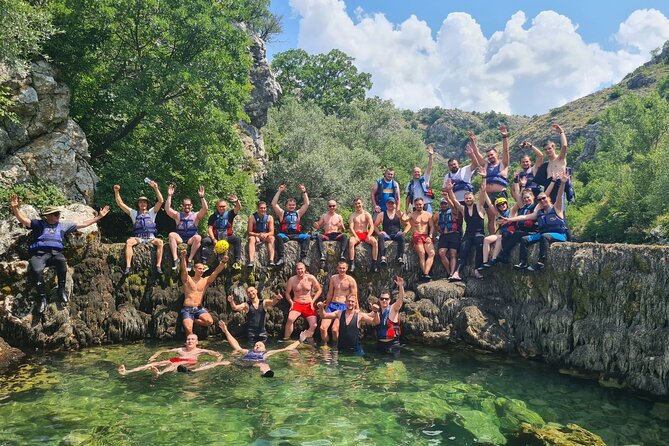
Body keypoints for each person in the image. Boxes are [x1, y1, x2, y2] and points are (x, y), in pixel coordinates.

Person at [10, 194, 110, 313]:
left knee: (61, 261)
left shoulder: (63, 225)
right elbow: (23, 220)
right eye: (56, 214)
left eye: (59, 214)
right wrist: (15, 208)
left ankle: (61, 290)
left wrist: (99, 216)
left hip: (54, 254)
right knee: (36, 270)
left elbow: (83, 224)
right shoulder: (39, 224)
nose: (59, 216)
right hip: (39, 254)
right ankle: (42, 299)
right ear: (48, 216)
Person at [498, 171, 570, 271]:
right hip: (543, 235)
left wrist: (562, 182)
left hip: (559, 235)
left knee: (544, 236)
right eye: (539, 200)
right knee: (525, 239)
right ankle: (523, 263)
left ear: (548, 198)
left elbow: (559, 195)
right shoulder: (538, 212)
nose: (542, 201)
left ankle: (540, 262)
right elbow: (524, 217)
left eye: (544, 198)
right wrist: (508, 219)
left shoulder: (556, 208)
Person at [196, 321, 307, 377]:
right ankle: (193, 371)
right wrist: (226, 331)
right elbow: (236, 346)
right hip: (242, 362)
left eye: (259, 345)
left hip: (255, 363)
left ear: (264, 348)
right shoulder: (248, 351)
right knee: (219, 363)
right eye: (256, 345)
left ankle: (266, 374)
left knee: (263, 365)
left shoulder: (267, 353)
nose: (257, 346)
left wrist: (300, 341)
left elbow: (286, 349)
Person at [444, 170, 487, 281]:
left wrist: (484, 178)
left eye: (470, 198)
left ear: (473, 198)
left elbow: (483, 191)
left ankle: (477, 270)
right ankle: (457, 273)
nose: (468, 200)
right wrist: (450, 190)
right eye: (466, 199)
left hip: (479, 233)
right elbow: (454, 200)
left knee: (480, 245)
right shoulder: (463, 209)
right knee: (463, 249)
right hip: (468, 233)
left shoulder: (479, 206)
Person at [113, 182, 164, 275]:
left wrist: (156, 188)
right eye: (141, 202)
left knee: (160, 242)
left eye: (144, 202)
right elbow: (120, 204)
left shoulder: (152, 212)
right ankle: (128, 267)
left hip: (151, 237)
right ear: (138, 204)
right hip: (139, 237)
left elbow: (160, 201)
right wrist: (116, 192)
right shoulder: (134, 213)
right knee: (129, 242)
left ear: (147, 204)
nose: (143, 204)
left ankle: (158, 266)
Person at [118, 333, 222, 376]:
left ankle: (160, 374)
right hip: (177, 359)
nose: (190, 341)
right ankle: (127, 371)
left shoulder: (200, 350)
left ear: (197, 342)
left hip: (189, 362)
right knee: (154, 364)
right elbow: (163, 351)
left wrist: (217, 362)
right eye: (188, 339)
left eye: (192, 339)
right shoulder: (180, 349)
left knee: (175, 365)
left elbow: (218, 354)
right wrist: (153, 357)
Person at [470, 127, 511, 235]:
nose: (490, 157)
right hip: (488, 194)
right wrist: (472, 141)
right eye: (488, 156)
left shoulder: (503, 164)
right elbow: (477, 154)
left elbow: (506, 151)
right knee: (491, 218)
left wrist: (504, 137)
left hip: (500, 193)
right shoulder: (486, 165)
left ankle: (504, 235)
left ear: (497, 154)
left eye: (492, 155)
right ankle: (493, 237)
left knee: (502, 215)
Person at [179, 248, 228, 335]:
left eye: (202, 269)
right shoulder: (188, 279)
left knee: (209, 321)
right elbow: (183, 270)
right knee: (188, 329)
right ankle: (191, 344)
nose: (201, 270)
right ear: (194, 269)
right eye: (199, 268)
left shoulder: (205, 280)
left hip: (199, 308)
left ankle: (192, 319)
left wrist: (223, 262)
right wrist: (183, 257)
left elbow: (215, 272)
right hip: (187, 309)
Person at [165, 184, 208, 271]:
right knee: (171, 235)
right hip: (180, 238)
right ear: (182, 206)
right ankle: (175, 259)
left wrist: (202, 197)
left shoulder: (196, 216)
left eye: (188, 205)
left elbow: (205, 209)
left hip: (191, 239)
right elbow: (167, 209)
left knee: (198, 237)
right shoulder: (177, 215)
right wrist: (169, 195)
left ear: (191, 206)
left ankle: (189, 260)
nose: (187, 206)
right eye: (185, 205)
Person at [497, 179, 538, 264]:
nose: (526, 199)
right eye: (524, 198)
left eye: (528, 197)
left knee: (517, 234)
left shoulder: (536, 207)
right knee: (506, 234)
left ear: (533, 197)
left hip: (532, 231)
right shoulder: (523, 207)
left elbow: (525, 217)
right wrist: (516, 182)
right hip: (522, 231)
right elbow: (517, 195)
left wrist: (523, 186)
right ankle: (505, 257)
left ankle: (503, 254)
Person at [320, 261, 358, 345]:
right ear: (337, 268)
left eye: (343, 268)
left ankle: (335, 346)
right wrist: (326, 307)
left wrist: (356, 310)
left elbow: (354, 296)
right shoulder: (333, 278)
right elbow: (330, 293)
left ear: (347, 268)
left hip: (343, 307)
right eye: (340, 268)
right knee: (322, 328)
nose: (342, 270)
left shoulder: (350, 280)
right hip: (332, 305)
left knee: (334, 329)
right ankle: (325, 346)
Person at [272, 184, 310, 265]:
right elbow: (274, 204)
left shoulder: (298, 213)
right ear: (286, 205)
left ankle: (303, 258)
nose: (291, 206)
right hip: (286, 235)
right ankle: (281, 258)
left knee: (307, 237)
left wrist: (304, 191)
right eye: (289, 205)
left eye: (293, 205)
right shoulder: (282, 213)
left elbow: (306, 204)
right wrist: (279, 191)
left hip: (296, 235)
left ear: (295, 206)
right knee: (278, 236)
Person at [283, 262, 322, 340]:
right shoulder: (292, 280)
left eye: (301, 269)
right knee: (290, 319)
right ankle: (286, 339)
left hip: (308, 304)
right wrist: (291, 303)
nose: (300, 271)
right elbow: (287, 293)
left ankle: (305, 338)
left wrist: (313, 301)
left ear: (305, 269)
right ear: (296, 270)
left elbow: (319, 290)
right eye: (298, 269)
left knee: (314, 325)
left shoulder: (310, 278)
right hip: (297, 303)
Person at [201, 196, 242, 270]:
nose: (222, 208)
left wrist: (236, 201)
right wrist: (213, 239)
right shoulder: (212, 216)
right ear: (217, 206)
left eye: (223, 206)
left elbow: (238, 208)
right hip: (216, 237)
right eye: (220, 206)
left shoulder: (230, 214)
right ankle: (204, 263)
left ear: (226, 206)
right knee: (205, 241)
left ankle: (237, 262)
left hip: (227, 236)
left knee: (237, 240)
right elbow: (210, 229)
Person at [402, 197, 435, 281]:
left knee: (432, 253)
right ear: (414, 205)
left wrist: (430, 236)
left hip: (426, 235)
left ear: (423, 204)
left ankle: (425, 273)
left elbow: (432, 227)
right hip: (417, 235)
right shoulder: (412, 214)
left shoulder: (428, 214)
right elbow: (404, 219)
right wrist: (402, 212)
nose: (418, 206)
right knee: (422, 253)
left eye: (420, 204)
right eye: (416, 205)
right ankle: (426, 274)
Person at [371, 276, 405, 358]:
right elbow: (375, 323)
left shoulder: (393, 308)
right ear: (379, 300)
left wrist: (400, 286)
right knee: (379, 368)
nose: (384, 301)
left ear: (389, 300)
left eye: (386, 299)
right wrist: (375, 312)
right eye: (382, 299)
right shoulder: (376, 311)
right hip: (380, 344)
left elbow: (400, 300)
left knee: (392, 368)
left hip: (392, 345)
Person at [480, 194, 514, 269]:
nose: (502, 206)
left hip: (509, 233)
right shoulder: (499, 214)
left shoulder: (512, 211)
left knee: (500, 238)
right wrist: (484, 192)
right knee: (486, 239)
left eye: (503, 204)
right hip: (501, 234)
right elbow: (489, 204)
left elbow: (518, 201)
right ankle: (485, 262)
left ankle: (493, 259)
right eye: (499, 205)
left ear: (506, 204)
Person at [313, 200, 348, 265]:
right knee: (319, 236)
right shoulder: (324, 216)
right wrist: (315, 225)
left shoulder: (339, 217)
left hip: (335, 235)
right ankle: (322, 254)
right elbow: (318, 225)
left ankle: (342, 253)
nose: (332, 207)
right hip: (327, 235)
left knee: (344, 236)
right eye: (330, 206)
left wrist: (341, 226)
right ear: (328, 207)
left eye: (333, 206)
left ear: (336, 206)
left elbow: (343, 230)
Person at [348, 198, 379, 273]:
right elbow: (351, 227)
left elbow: (372, 226)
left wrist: (369, 235)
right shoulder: (353, 215)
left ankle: (374, 263)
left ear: (362, 203)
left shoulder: (367, 214)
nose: (357, 205)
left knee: (375, 242)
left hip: (365, 233)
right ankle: (352, 263)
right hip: (357, 233)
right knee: (351, 242)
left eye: (359, 203)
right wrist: (355, 236)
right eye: (356, 204)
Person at [434, 196, 461, 278]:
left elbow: (453, 207)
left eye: (445, 203)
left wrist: (448, 198)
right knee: (441, 253)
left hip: (453, 235)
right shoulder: (438, 214)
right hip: (443, 236)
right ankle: (449, 272)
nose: (444, 205)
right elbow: (431, 223)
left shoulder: (453, 212)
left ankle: (452, 273)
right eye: (442, 204)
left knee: (453, 254)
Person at [373, 197, 406, 265]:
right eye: (389, 203)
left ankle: (400, 257)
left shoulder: (399, 213)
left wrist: (404, 232)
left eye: (392, 203)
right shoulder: (381, 214)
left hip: (396, 234)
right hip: (386, 234)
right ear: (386, 205)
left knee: (402, 236)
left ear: (395, 205)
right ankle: (383, 257)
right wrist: (379, 232)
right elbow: (374, 225)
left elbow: (408, 224)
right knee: (380, 236)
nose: (390, 205)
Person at [405, 144, 435, 213]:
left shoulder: (425, 179)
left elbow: (429, 168)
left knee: (428, 222)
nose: (417, 173)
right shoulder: (410, 184)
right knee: (417, 223)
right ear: (412, 173)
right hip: (415, 206)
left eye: (418, 172)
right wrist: (406, 208)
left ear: (421, 173)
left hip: (426, 204)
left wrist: (430, 156)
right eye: (415, 172)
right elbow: (408, 197)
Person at [246, 201, 275, 267]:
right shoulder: (252, 217)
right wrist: (257, 235)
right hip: (256, 235)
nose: (263, 210)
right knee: (251, 239)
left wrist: (266, 234)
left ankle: (271, 260)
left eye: (264, 208)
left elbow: (272, 232)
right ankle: (251, 261)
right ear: (257, 208)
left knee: (272, 238)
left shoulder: (270, 218)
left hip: (266, 236)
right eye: (261, 208)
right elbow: (249, 232)